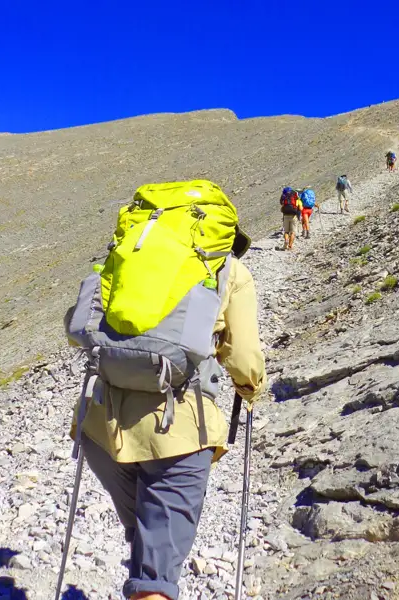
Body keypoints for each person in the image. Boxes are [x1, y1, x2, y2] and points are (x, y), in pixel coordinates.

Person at [64, 181, 266, 600]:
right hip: (179, 433)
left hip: (101, 429)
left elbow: (79, 325)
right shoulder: (232, 271)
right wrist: (250, 390)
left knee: (143, 537)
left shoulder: (126, 257)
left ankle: (144, 563)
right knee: (156, 577)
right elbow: (244, 356)